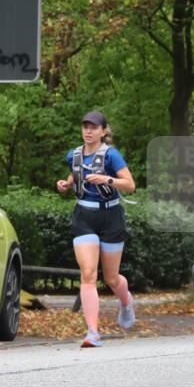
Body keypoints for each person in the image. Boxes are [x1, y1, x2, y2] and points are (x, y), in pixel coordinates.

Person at [55, 110, 136, 348]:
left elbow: (130, 185)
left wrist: (107, 180)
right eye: (85, 127)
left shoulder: (112, 156)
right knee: (88, 273)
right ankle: (92, 332)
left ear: (103, 131)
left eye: (93, 127)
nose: (88, 131)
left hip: (111, 216)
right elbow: (74, 173)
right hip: (84, 216)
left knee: (111, 278)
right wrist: (66, 183)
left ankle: (126, 301)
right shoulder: (74, 155)